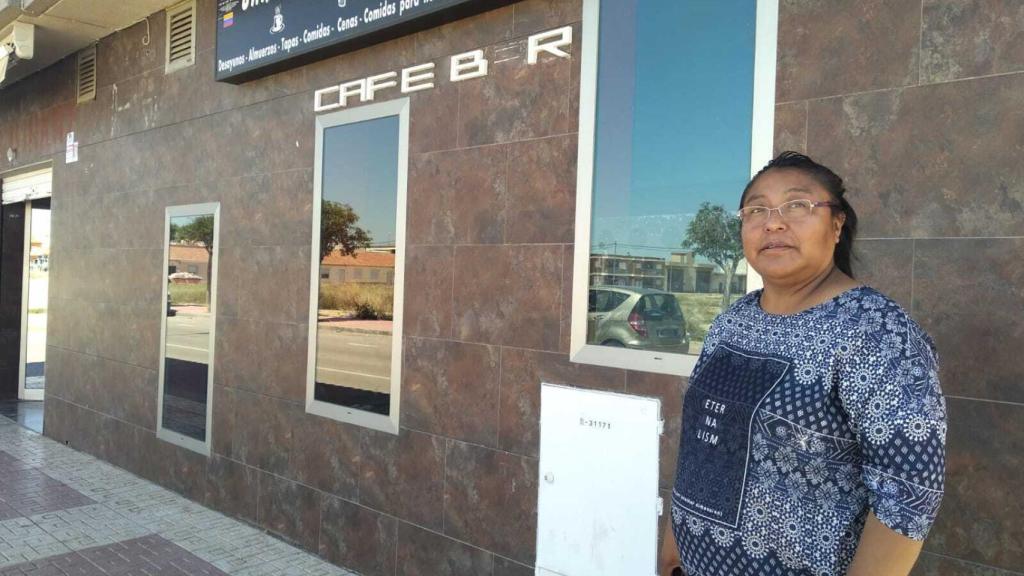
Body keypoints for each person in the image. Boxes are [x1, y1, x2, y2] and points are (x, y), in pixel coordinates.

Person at [658, 152, 946, 576]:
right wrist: (672, 552)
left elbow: (909, 496)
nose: (772, 223)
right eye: (756, 210)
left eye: (797, 205)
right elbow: (701, 449)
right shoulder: (731, 322)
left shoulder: (876, 331)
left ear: (837, 225)